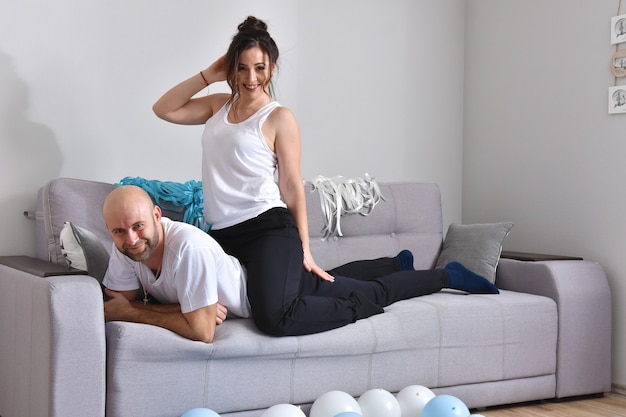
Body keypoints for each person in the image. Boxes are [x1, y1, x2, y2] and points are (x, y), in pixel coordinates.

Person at [151, 16, 498, 337]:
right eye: (241, 68)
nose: (250, 78)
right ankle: (394, 264)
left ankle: (442, 276)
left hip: (268, 230)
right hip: (225, 236)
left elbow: (290, 184)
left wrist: (304, 248)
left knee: (274, 316)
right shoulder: (218, 107)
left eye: (259, 68)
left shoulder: (278, 117)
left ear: (272, 67)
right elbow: (163, 109)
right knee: (312, 287)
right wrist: (208, 75)